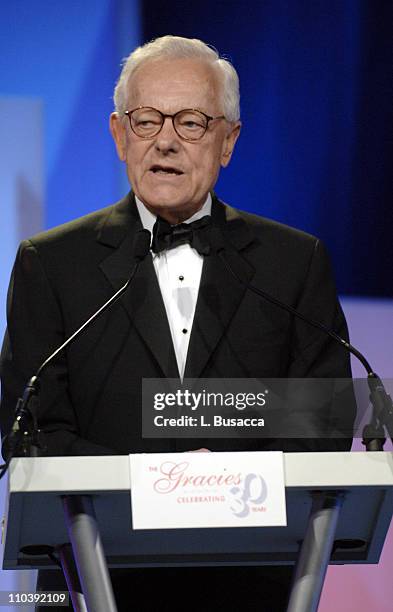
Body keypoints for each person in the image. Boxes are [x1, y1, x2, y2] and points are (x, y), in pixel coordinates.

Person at [0, 36, 354, 611]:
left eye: (191, 122)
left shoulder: (292, 263)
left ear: (228, 142)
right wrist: (161, 484)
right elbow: (34, 431)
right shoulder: (51, 264)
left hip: (250, 578)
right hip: (92, 581)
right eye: (146, 121)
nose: (165, 140)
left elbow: (324, 421)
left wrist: (224, 484)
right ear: (119, 134)